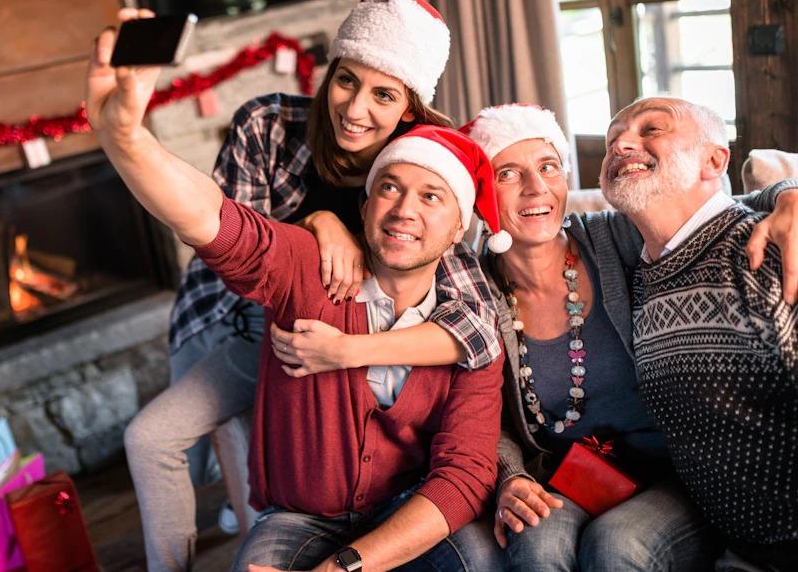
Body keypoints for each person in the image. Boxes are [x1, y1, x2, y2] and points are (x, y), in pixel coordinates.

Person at [270, 103, 798, 571]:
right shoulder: (472, 288)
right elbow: (483, 414)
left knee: (615, 547)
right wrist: (510, 478)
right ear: (480, 196)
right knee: (536, 546)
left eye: (548, 167)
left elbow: (721, 201)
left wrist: (791, 194)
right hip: (570, 476)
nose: (535, 188)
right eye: (508, 173)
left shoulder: (617, 234)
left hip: (670, 471)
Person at [86, 21, 509, 569]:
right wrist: (126, 140)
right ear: (366, 203)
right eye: (389, 188)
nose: (405, 209)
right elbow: (215, 220)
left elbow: (468, 451)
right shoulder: (301, 239)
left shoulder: (459, 313)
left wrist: (344, 352)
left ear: (459, 230)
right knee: (191, 456)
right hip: (252, 335)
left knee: (475, 557)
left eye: (431, 196)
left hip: (399, 498)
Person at [600, 97, 798, 571]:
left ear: (714, 160)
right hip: (740, 548)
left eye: (652, 129)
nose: (623, 143)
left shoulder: (770, 252)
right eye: (612, 141)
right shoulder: (638, 268)